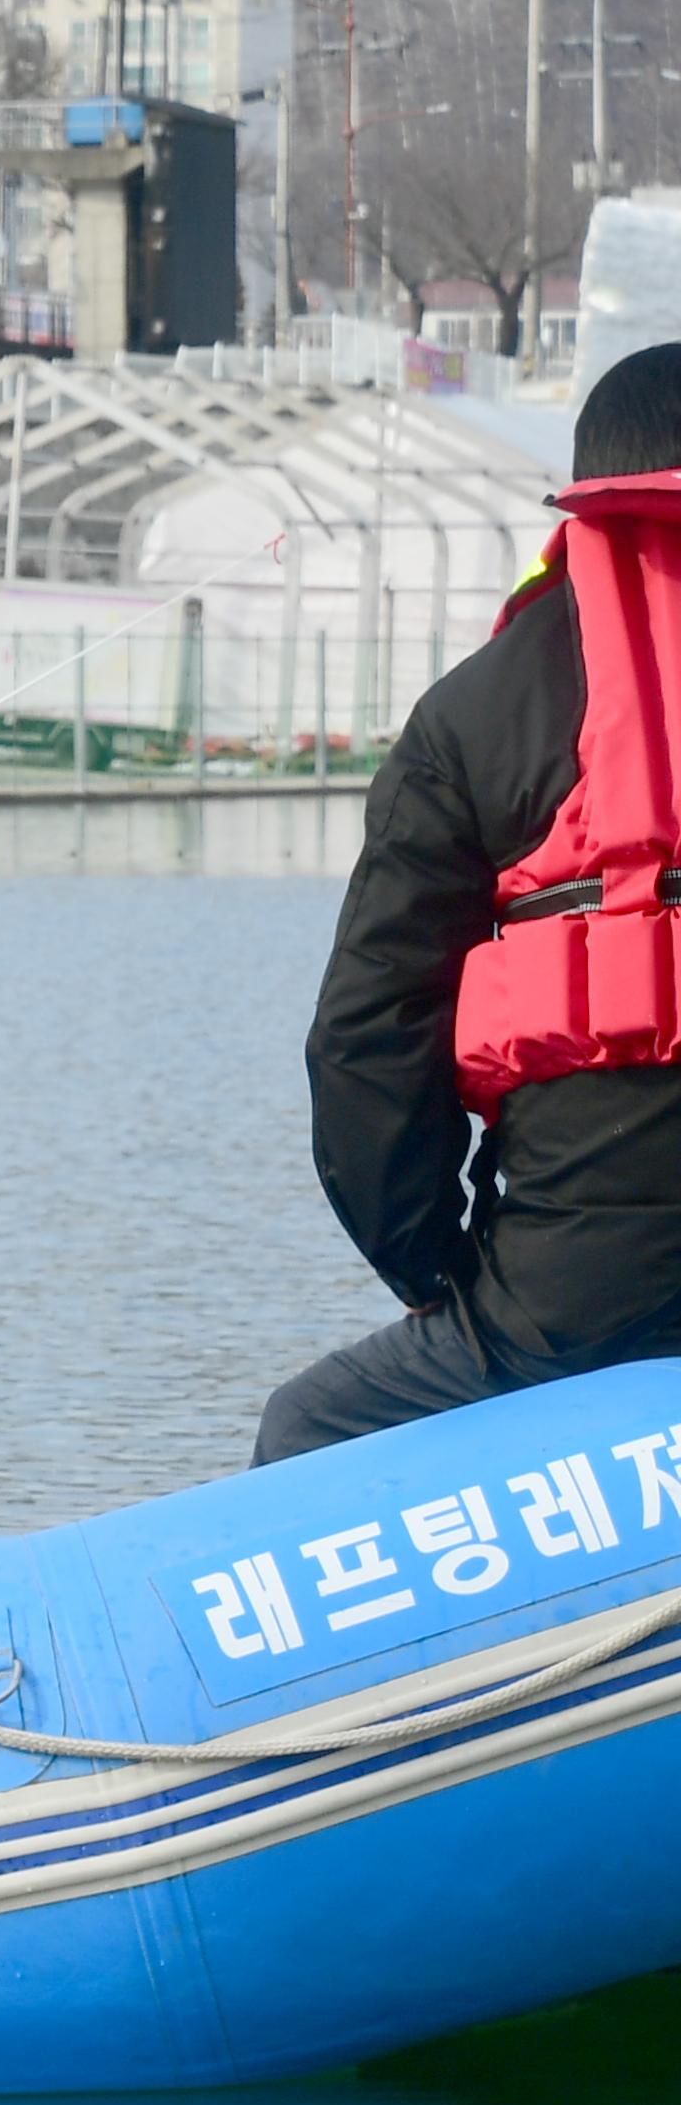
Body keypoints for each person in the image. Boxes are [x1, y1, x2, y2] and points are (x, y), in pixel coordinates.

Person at [261, 341, 681, 1461]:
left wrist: (429, 1267)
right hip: (578, 1293)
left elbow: (364, 1041)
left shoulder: (471, 716)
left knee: (303, 1430)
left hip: (566, 1308)